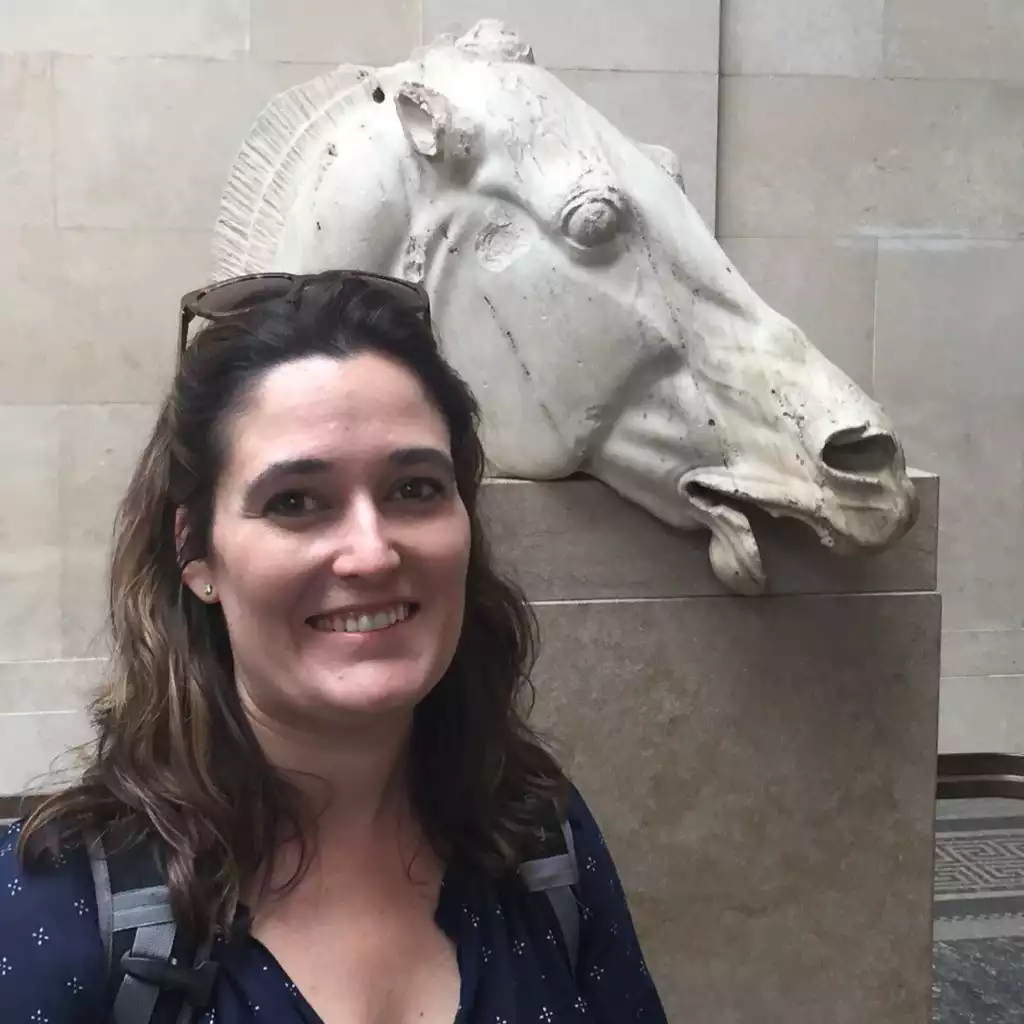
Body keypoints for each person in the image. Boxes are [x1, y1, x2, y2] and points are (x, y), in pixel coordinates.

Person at [0, 270, 667, 1023]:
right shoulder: (47, 906)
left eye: (414, 488)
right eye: (295, 501)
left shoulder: (541, 844)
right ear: (196, 551)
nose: (372, 553)